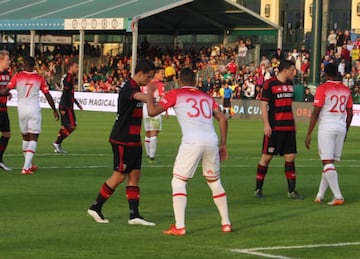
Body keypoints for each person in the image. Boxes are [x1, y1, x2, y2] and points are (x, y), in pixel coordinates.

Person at [146, 68, 231, 236]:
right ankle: (226, 223)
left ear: (179, 80)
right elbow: (222, 117)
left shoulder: (175, 93)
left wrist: (149, 94)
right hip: (211, 140)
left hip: (192, 141)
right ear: (195, 81)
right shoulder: (207, 97)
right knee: (214, 182)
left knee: (178, 181)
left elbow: (152, 112)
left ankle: (180, 226)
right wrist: (223, 144)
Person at [88, 60, 156, 226]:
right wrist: (150, 94)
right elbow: (139, 97)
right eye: (149, 77)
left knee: (135, 175)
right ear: (140, 73)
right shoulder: (129, 88)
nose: (150, 80)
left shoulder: (136, 87)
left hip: (133, 139)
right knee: (119, 176)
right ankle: (95, 207)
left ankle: (134, 215)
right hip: (122, 139)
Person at [0, 56, 59, 174]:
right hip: (33, 110)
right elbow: (47, 95)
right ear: (34, 65)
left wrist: (7, 92)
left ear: (24, 64)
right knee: (33, 137)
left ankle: (29, 164)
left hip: (21, 111)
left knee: (25, 137)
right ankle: (26, 167)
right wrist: (54, 109)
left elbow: (4, 92)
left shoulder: (17, 76)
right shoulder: (39, 78)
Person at [305, 63, 353, 206]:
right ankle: (320, 195)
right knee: (329, 163)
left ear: (325, 74)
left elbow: (316, 112)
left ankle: (338, 196)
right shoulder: (346, 89)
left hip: (327, 127)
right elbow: (350, 113)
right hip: (340, 126)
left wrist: (309, 133)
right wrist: (346, 130)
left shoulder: (323, 88)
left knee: (327, 163)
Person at [254, 60, 303, 199]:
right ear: (285, 70)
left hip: (289, 127)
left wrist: (294, 124)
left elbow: (289, 106)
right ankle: (258, 189)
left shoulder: (290, 84)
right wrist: (266, 124)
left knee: (290, 158)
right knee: (266, 158)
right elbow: (264, 105)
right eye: (292, 70)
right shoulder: (270, 84)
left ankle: (292, 191)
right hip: (275, 127)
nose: (294, 72)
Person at [52, 62, 83, 153]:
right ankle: (57, 143)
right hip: (67, 107)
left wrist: (77, 104)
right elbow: (65, 93)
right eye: (76, 67)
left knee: (64, 127)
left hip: (67, 106)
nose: (77, 69)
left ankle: (58, 145)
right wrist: (62, 107)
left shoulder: (70, 77)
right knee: (72, 126)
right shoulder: (69, 77)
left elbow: (69, 94)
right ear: (70, 67)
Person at [142, 66, 166, 163]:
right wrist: (166, 110)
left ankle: (148, 154)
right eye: (162, 73)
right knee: (154, 132)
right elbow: (161, 98)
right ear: (156, 74)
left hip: (145, 108)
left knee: (148, 132)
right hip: (155, 109)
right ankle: (152, 157)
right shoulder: (159, 84)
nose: (163, 75)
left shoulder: (146, 83)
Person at [0, 50, 12, 171]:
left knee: (7, 134)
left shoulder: (8, 73)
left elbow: (4, 89)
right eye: (7, 59)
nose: (9, 61)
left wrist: (7, 93)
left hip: (3, 109)